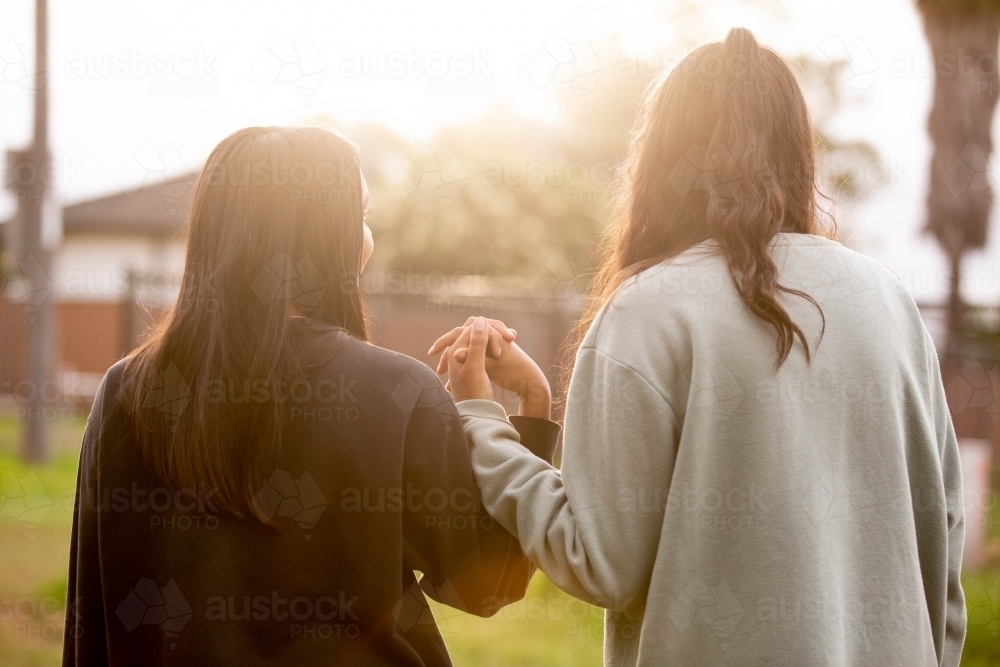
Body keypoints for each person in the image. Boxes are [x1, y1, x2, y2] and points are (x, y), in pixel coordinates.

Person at [430, 28, 966, 666]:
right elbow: (942, 535)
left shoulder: (647, 311)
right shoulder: (887, 301)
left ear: (659, 159)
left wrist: (485, 426)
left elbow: (599, 562)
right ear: (798, 149)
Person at [63, 126, 560, 666]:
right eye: (361, 217)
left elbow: (90, 609)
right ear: (329, 234)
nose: (368, 238)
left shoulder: (125, 392)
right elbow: (488, 584)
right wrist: (530, 403)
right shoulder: (394, 392)